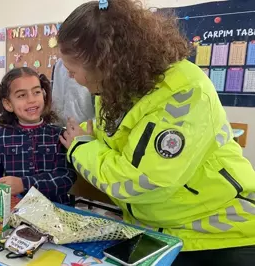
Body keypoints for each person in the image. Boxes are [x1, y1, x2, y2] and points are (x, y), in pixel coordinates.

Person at [57, 1, 255, 265]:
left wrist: (81, 147)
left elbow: (141, 182)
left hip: (217, 233)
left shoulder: (184, 94)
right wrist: (91, 141)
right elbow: (120, 147)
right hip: (156, 228)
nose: (70, 77)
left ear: (107, 63)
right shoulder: (114, 86)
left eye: (73, 69)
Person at [0, 67, 76, 204]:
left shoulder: (58, 135)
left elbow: (65, 178)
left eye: (37, 92)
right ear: (8, 104)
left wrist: (24, 184)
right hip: (14, 210)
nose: (31, 100)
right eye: (22, 95)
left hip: (54, 212)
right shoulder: (0, 136)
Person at [52, 58, 95, 126]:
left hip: (85, 126)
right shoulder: (60, 63)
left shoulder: (89, 60)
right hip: (60, 126)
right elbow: (57, 94)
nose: (70, 74)